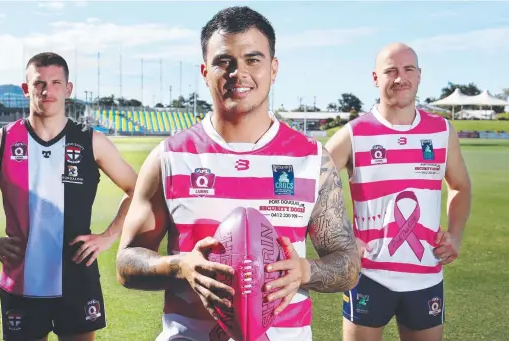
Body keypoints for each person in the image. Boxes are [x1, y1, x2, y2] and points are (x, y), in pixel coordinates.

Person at [115, 6, 361, 341]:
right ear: (205, 71)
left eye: (253, 59)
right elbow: (127, 263)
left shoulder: (312, 160)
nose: (238, 72)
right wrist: (181, 266)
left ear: (274, 69)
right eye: (223, 61)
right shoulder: (170, 157)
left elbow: (347, 263)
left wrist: (305, 270)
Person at [0, 52, 138, 341]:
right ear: (25, 89)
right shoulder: (1, 141)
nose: (47, 90)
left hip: (76, 279)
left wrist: (108, 236)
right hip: (20, 282)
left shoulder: (92, 142)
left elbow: (138, 190)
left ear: (68, 89)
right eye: (39, 83)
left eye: (56, 82)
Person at [324, 42, 472, 341]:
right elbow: (310, 188)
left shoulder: (442, 131)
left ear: (419, 76)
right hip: (368, 276)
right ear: (376, 78)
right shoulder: (355, 133)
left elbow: (460, 186)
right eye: (390, 70)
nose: (399, 77)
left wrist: (455, 234)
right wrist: (339, 239)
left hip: (426, 276)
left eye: (408, 70)